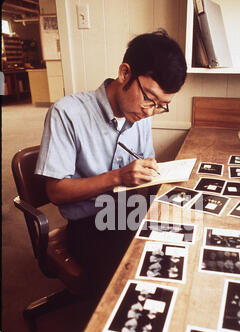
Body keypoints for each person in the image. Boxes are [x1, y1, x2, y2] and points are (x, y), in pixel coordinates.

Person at [35, 29, 187, 299]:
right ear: (125, 73)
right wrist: (117, 177)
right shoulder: (67, 113)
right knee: (133, 284)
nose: (150, 111)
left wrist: (150, 174)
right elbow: (55, 191)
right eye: (149, 99)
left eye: (161, 105)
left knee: (181, 247)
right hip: (89, 226)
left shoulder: (142, 115)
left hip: (129, 213)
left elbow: (144, 171)